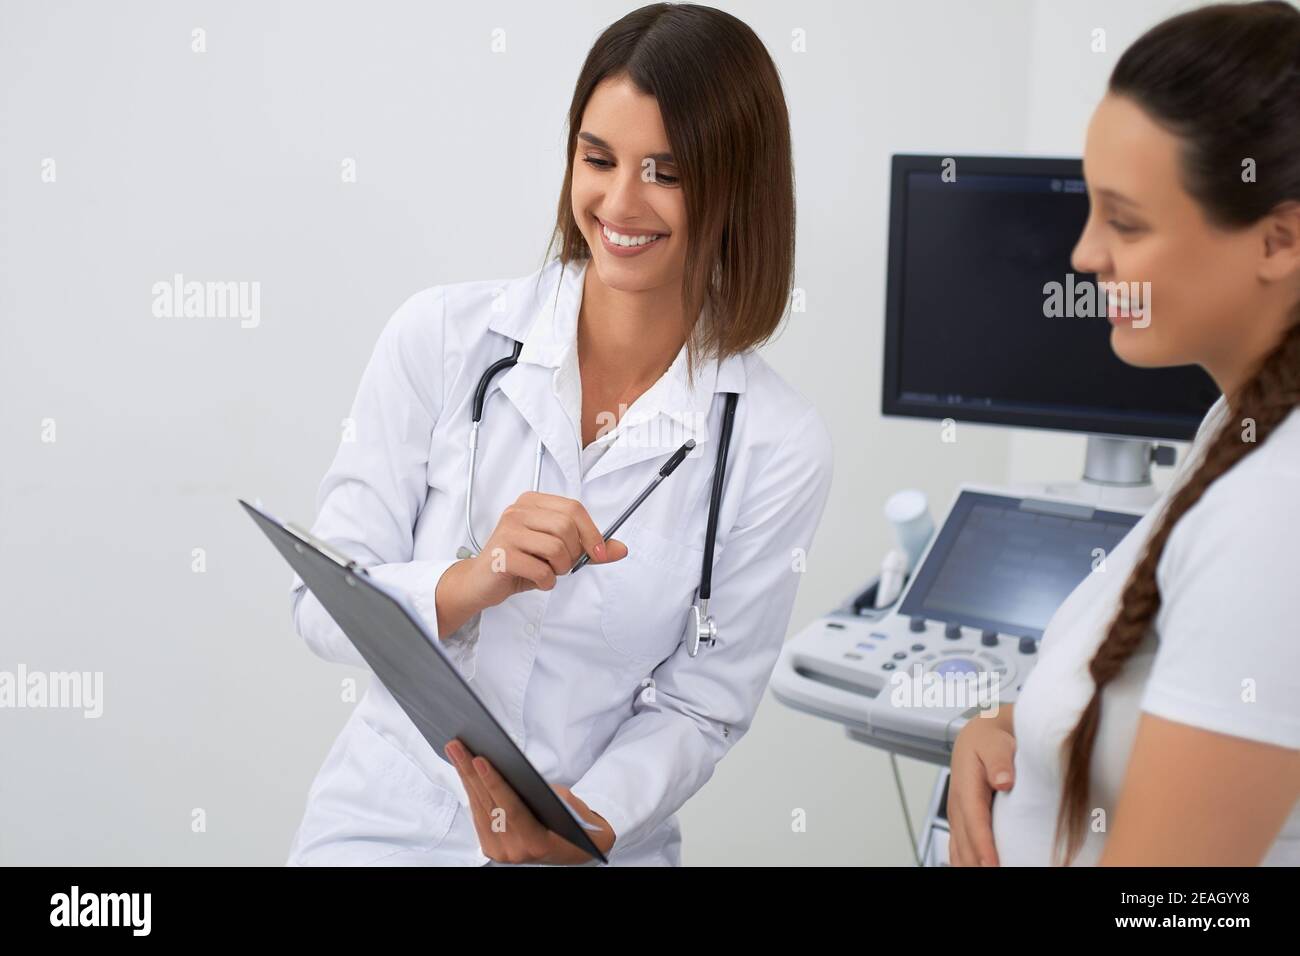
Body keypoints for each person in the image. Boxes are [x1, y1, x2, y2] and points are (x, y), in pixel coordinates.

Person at [285, 3, 833, 866]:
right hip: (382, 822)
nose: (620, 202)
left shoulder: (774, 442)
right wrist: (469, 581)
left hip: (587, 842)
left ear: (737, 186)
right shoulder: (439, 338)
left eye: (668, 172)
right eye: (598, 158)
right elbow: (320, 605)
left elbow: (703, 706)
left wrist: (585, 827)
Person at [948, 1, 1300, 866]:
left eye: (1126, 221)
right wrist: (1007, 731)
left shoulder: (1276, 512)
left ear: (1280, 239)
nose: (1084, 255)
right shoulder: (1242, 427)